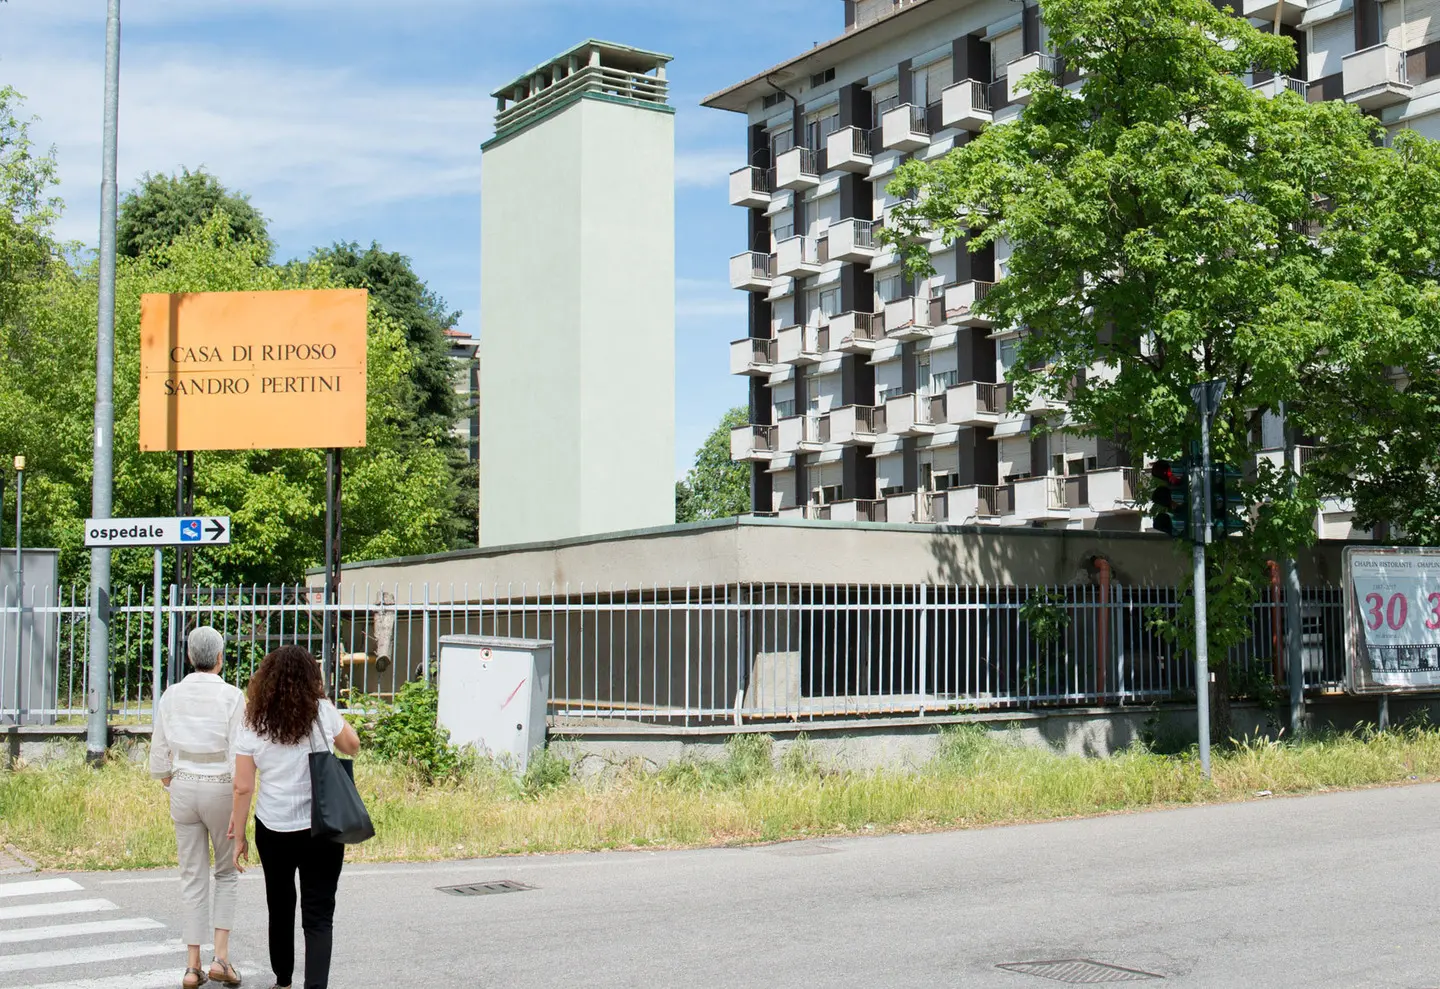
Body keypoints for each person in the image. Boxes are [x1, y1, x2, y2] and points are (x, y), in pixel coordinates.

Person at [229, 645, 361, 989]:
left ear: (266, 679)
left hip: (274, 829)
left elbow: (243, 787)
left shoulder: (252, 720)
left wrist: (239, 834)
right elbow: (352, 745)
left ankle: (283, 981)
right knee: (318, 915)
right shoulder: (321, 711)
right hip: (323, 826)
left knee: (281, 905)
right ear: (310, 677)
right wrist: (326, 704)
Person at [150, 625, 247, 989]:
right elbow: (239, 753)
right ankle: (221, 959)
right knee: (225, 872)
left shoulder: (171, 695)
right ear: (220, 659)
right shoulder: (233, 696)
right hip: (221, 786)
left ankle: (192, 965)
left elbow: (159, 753)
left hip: (183, 785)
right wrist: (240, 809)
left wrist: (171, 780)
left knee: (192, 875)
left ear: (190, 657)